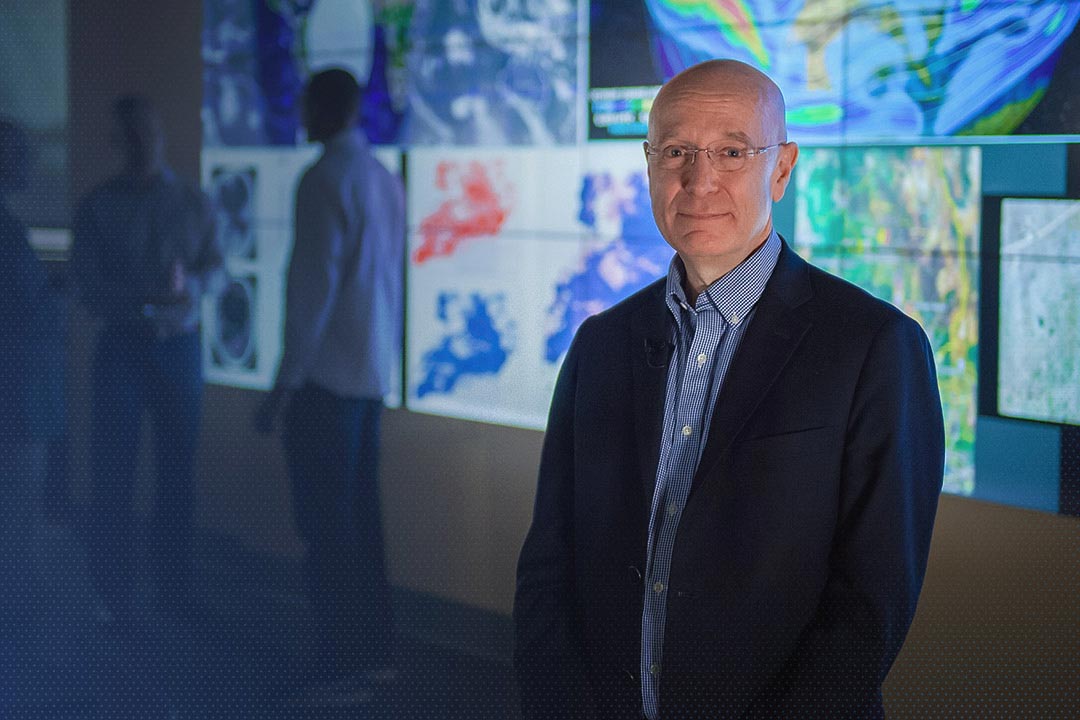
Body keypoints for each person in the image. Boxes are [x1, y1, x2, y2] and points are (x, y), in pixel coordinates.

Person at [514, 59, 945, 719]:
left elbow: (871, 605)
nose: (699, 179)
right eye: (677, 151)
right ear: (649, 163)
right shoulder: (600, 345)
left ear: (782, 167)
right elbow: (550, 563)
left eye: (732, 152)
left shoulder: (874, 348)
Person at [253, 68, 405, 705]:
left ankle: (338, 667)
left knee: (327, 532)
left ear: (326, 108)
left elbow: (310, 297)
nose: (299, 113)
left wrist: (281, 387)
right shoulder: (383, 179)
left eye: (306, 102)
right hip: (368, 382)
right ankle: (372, 658)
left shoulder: (323, 180)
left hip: (324, 387)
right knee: (362, 528)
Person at [71, 95, 223, 622]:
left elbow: (217, 269)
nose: (142, 145)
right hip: (123, 347)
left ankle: (173, 594)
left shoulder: (195, 203)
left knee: (176, 478)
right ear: (118, 141)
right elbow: (88, 287)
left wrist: (191, 288)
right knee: (112, 475)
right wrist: (145, 300)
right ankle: (112, 595)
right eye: (131, 136)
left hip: (178, 348)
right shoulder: (96, 207)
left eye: (148, 135)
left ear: (160, 135)